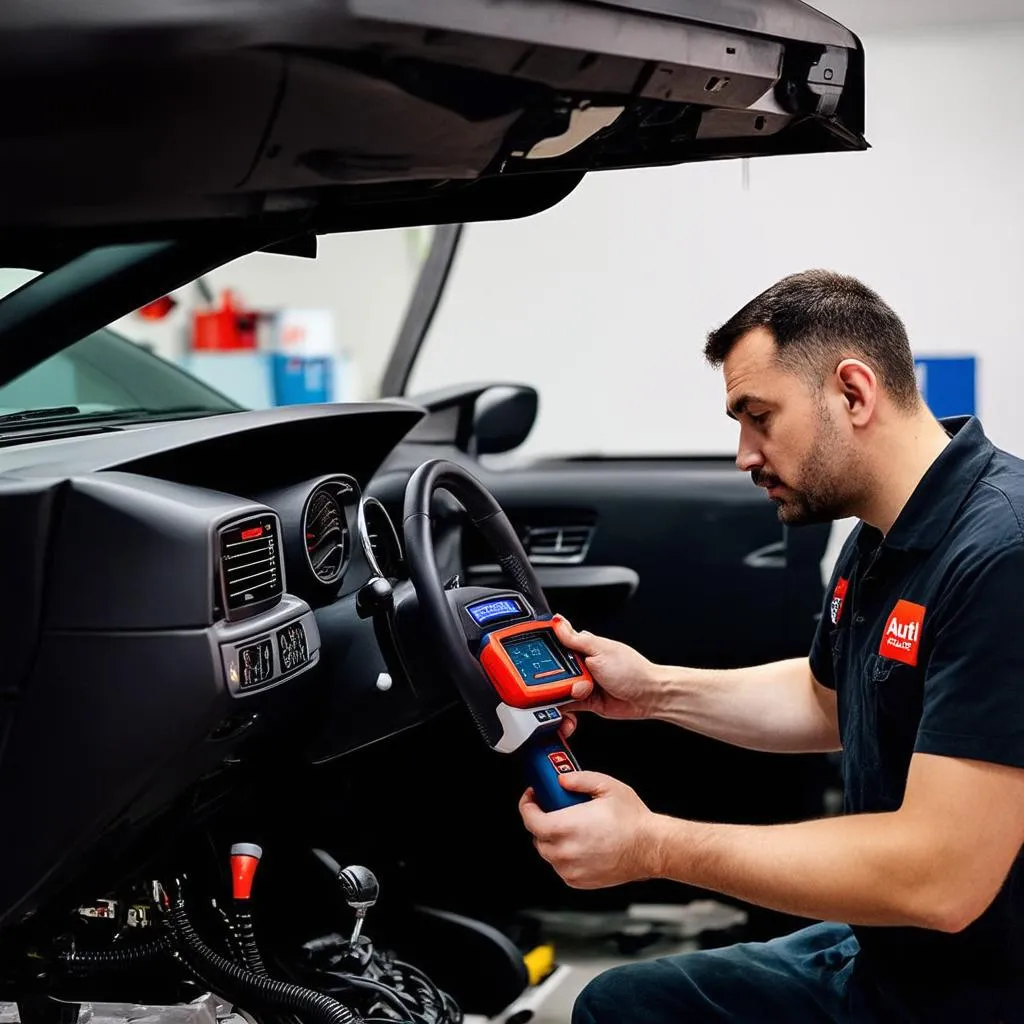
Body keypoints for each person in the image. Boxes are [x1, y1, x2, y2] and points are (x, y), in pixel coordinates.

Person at [518, 270, 1024, 1022]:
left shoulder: (1001, 554)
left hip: (975, 992)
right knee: (622, 1005)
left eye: (759, 416)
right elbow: (825, 698)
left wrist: (653, 846)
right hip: (893, 956)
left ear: (854, 393)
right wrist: (653, 690)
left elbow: (939, 881)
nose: (744, 455)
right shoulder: (885, 536)